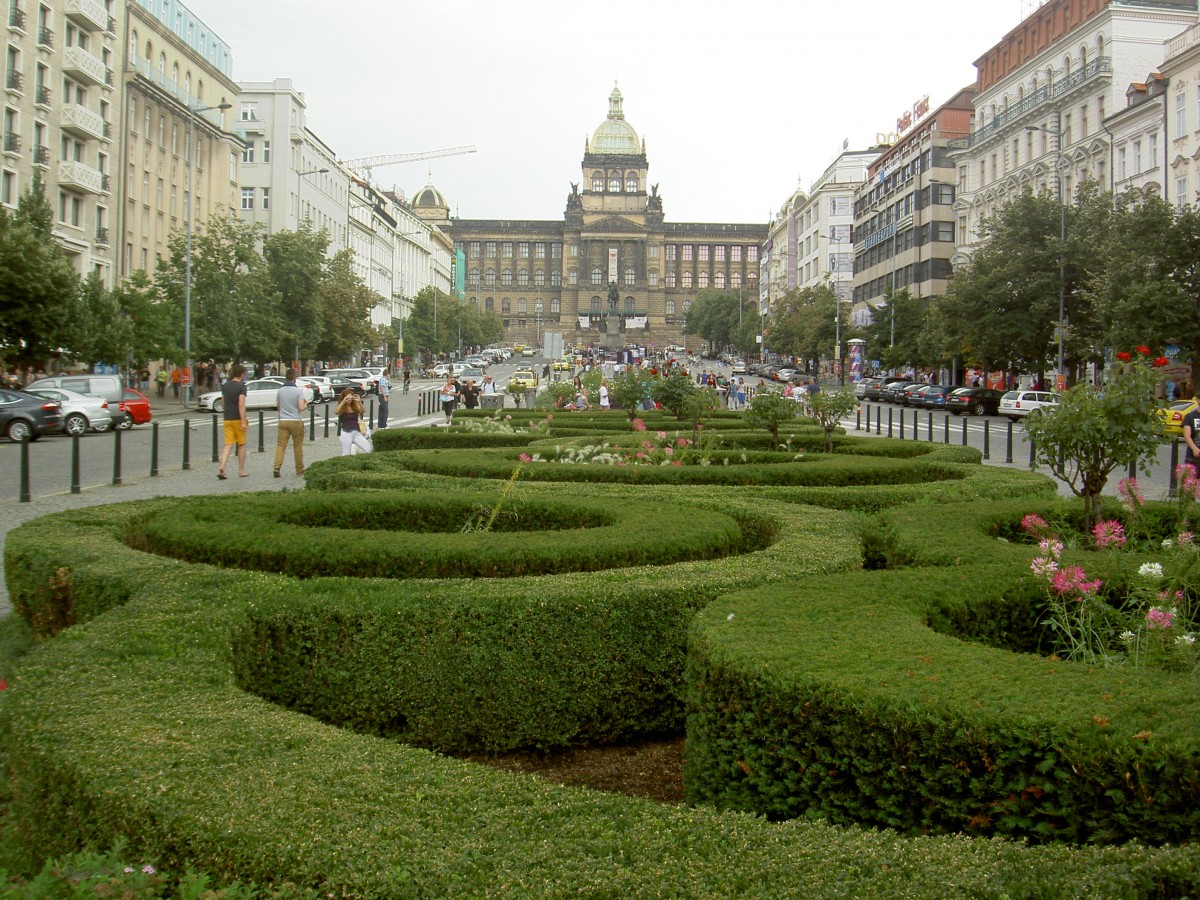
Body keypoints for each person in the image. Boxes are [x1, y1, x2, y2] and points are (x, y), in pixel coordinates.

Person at [273, 368, 308, 478]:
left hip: (283, 421)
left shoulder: (280, 391)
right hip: (295, 421)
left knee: (281, 446)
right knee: (297, 446)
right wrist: (306, 403)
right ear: (294, 378)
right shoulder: (298, 391)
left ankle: (277, 467)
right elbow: (301, 407)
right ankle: (299, 469)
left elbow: (278, 408)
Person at [217, 364, 248, 480]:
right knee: (241, 444)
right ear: (241, 374)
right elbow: (241, 404)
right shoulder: (241, 387)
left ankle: (222, 466)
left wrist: (227, 411)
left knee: (228, 444)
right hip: (237, 419)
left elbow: (223, 401)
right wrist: (243, 421)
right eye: (244, 373)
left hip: (227, 418)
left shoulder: (225, 386)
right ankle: (241, 470)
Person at [336, 388, 372, 455]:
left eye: (350, 397)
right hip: (346, 432)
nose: (349, 400)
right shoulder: (342, 406)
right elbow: (336, 411)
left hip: (356, 432)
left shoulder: (354, 405)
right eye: (347, 397)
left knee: (369, 449)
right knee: (346, 453)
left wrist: (359, 401)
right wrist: (343, 402)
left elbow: (362, 411)